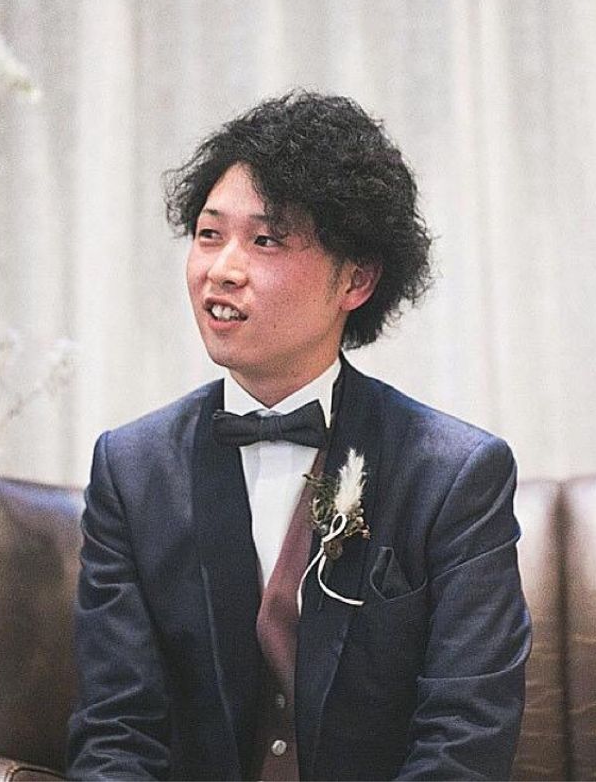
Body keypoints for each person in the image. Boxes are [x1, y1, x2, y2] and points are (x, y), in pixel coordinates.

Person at [66, 91, 530, 780]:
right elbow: (116, 734)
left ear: (357, 279)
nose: (222, 269)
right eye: (208, 234)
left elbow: (466, 738)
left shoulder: (454, 475)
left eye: (266, 240)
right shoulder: (131, 471)